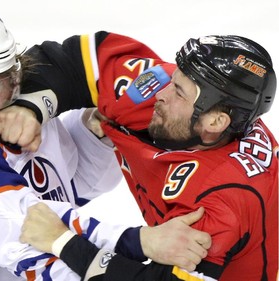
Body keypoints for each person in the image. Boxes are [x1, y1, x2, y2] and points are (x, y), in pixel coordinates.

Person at [0, 6, 211, 281]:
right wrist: (144, 241)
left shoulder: (29, 108)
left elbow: (74, 188)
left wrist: (96, 135)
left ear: (14, 77)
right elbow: (36, 224)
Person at [17, 31, 278, 280]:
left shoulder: (220, 201)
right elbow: (72, 61)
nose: (159, 94)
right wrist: (31, 108)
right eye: (175, 80)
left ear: (215, 122)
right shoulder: (178, 103)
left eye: (178, 92)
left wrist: (64, 242)